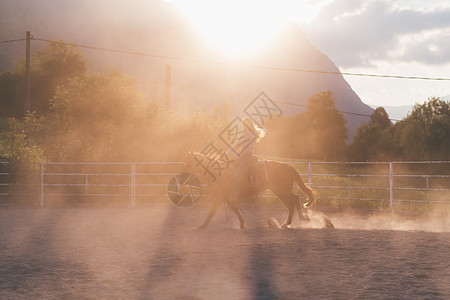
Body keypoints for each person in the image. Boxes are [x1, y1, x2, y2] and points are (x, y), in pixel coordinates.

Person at [227, 117, 265, 200]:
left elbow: (249, 149)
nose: (245, 125)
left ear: (250, 124)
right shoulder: (242, 134)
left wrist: (238, 156)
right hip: (241, 156)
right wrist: (229, 151)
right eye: (244, 123)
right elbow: (237, 145)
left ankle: (237, 195)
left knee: (238, 172)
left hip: (248, 157)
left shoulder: (253, 135)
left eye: (247, 123)